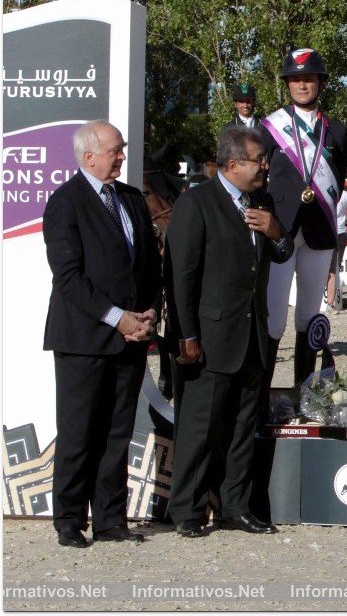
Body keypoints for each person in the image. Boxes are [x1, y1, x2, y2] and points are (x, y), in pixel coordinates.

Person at [165, 126, 291, 537]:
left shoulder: (263, 202)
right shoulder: (197, 203)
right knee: (200, 427)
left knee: (242, 427)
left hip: (251, 334)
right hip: (209, 335)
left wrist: (275, 232)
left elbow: (283, 252)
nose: (265, 167)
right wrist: (185, 333)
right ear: (233, 164)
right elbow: (181, 277)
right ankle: (187, 509)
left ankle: (235, 506)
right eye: (259, 160)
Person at [43, 121, 160, 548]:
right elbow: (68, 278)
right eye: (115, 150)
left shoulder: (130, 199)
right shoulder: (65, 203)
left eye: (122, 149)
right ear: (89, 156)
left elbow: (148, 264)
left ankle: (111, 520)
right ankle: (69, 521)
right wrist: (118, 318)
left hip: (131, 338)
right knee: (78, 433)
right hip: (82, 340)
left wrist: (149, 312)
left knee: (117, 433)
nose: (122, 156)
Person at [259, 48, 347, 392]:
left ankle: (303, 393)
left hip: (319, 230)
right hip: (280, 231)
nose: (302, 85)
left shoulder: (337, 131)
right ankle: (262, 397)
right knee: (274, 316)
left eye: (308, 78)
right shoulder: (271, 128)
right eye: (295, 79)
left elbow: (337, 180)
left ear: (320, 82)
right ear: (287, 84)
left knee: (309, 316)